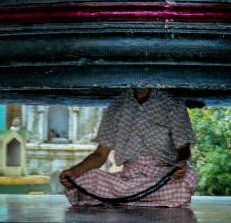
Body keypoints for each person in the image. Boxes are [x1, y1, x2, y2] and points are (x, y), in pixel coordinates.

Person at [59, 87, 198, 207]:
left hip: (163, 178)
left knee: (189, 177)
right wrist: (74, 172)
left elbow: (183, 147)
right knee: (89, 179)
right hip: (126, 181)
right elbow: (100, 155)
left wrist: (180, 164)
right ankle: (144, 199)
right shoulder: (116, 107)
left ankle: (124, 200)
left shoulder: (172, 103)